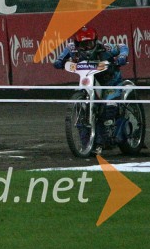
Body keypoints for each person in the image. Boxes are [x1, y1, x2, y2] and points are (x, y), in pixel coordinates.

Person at [53, 26, 129, 156]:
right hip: (88, 80)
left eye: (89, 43)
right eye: (83, 45)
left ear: (95, 41)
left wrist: (122, 56)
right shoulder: (71, 48)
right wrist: (59, 61)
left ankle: (114, 133)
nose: (87, 47)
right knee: (83, 110)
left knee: (109, 106)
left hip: (110, 82)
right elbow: (60, 58)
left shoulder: (105, 48)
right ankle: (89, 143)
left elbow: (123, 46)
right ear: (77, 44)